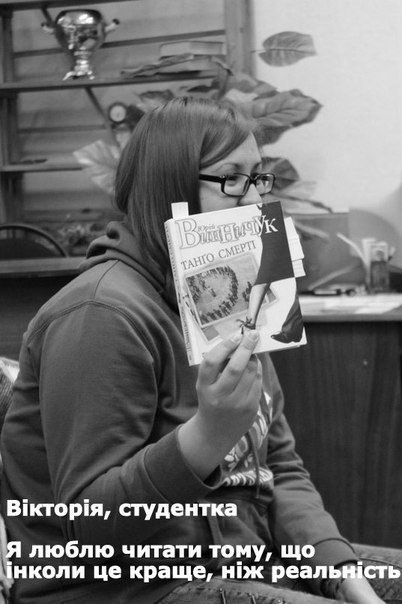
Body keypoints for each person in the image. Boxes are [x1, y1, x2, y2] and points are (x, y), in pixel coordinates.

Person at [0, 97, 401, 604]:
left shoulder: (233, 295)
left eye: (258, 178)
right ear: (169, 188)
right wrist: (207, 435)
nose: (254, 199)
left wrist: (342, 574)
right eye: (231, 179)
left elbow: (278, 466)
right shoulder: (100, 314)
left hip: (247, 560)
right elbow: (89, 525)